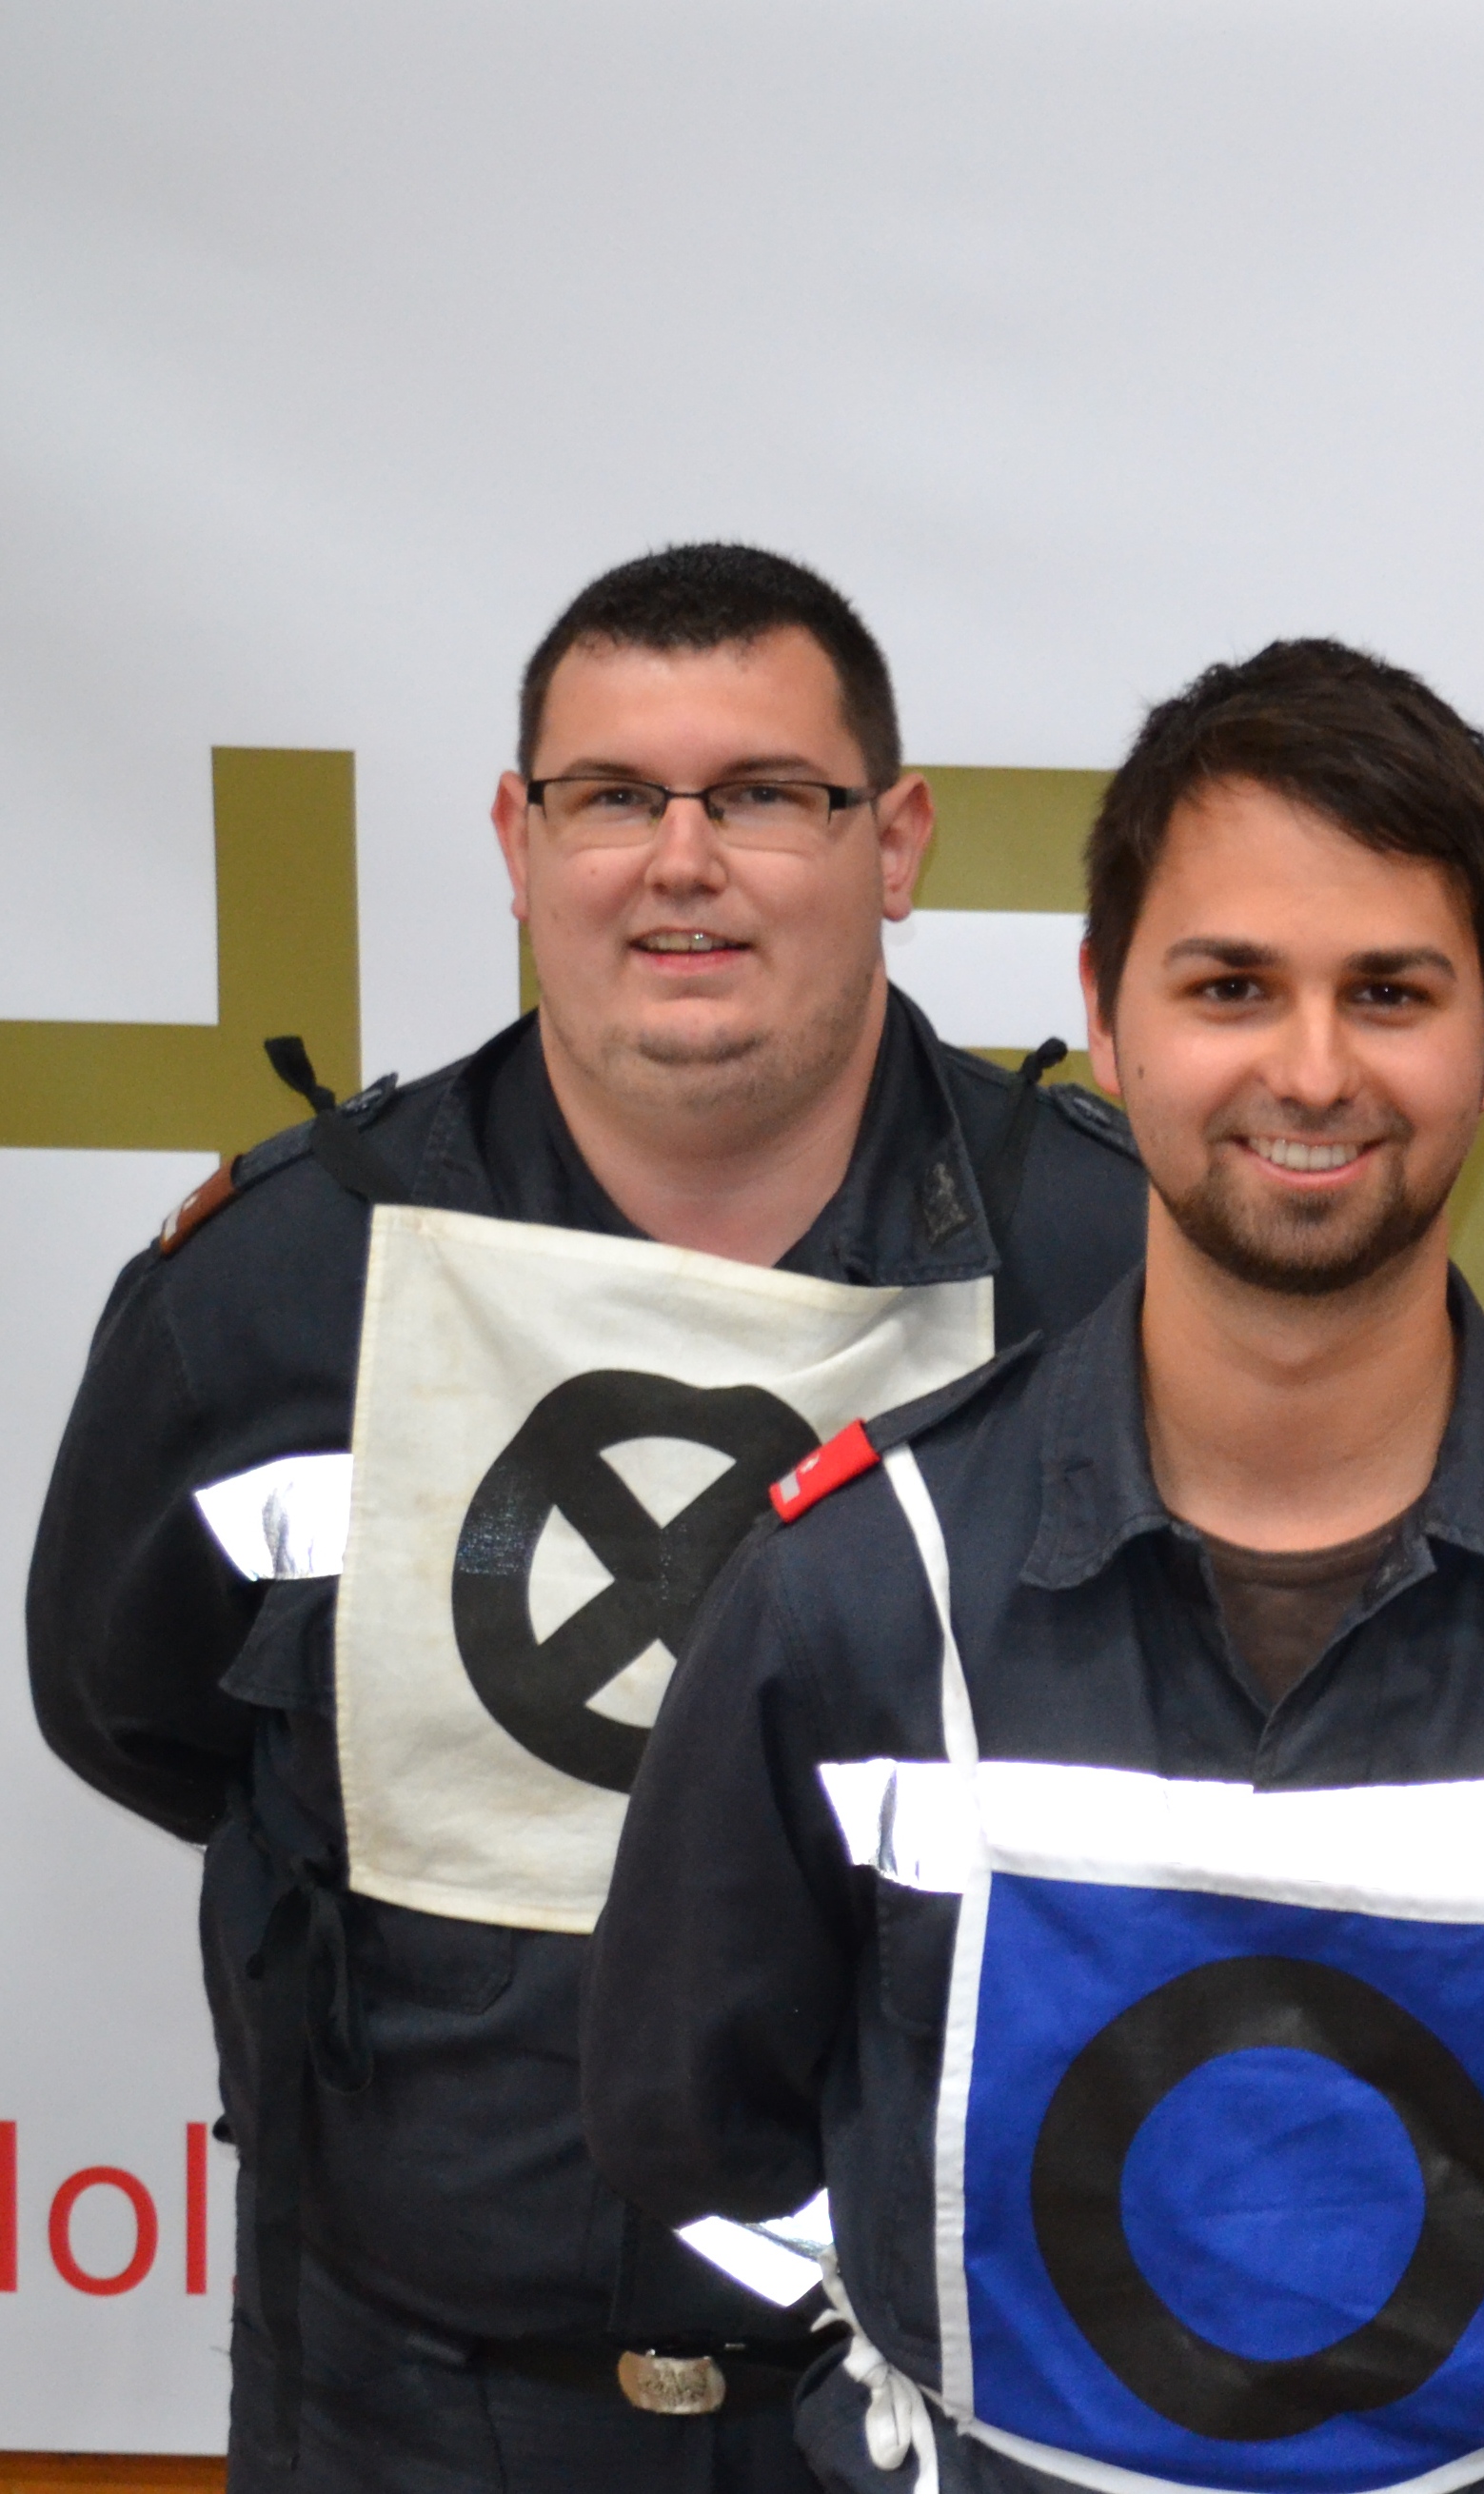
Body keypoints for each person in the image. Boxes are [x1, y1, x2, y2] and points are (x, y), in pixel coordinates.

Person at [582, 638, 1484, 2494]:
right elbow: (683, 2139)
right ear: (1107, 1013)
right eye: (1231, 986)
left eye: (1390, 991)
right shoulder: (863, 1588)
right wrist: (951, 2360)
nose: (1314, 1067)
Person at [24, 544, 1145, 2489]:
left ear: (896, 844)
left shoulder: (1120, 1275)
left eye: (765, 796)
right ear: (518, 841)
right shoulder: (277, 1289)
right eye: (613, 795)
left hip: (965, 2405)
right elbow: (133, 1710)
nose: (678, 862)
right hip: (402, 2408)